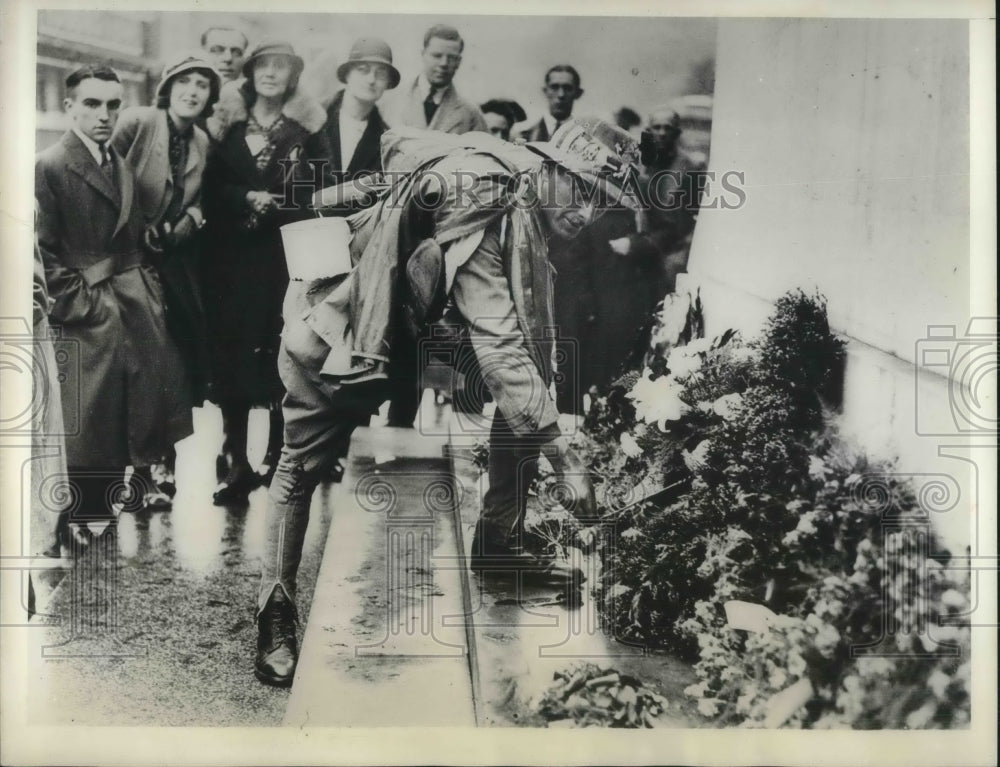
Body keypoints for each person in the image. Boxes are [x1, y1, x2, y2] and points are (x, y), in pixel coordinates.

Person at [252, 119, 640, 687]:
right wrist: (567, 459)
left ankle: (498, 545)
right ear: (554, 165)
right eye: (585, 190)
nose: (588, 215)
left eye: (604, 204)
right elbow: (499, 340)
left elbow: (514, 350)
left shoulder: (518, 180)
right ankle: (274, 608)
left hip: (421, 330)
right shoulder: (488, 188)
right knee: (300, 465)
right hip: (352, 323)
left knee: (525, 390)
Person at [35, 65, 193, 539]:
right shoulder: (51, 165)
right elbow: (43, 251)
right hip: (89, 307)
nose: (103, 115)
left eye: (112, 105)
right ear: (70, 107)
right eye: (91, 104)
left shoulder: (115, 161)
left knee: (141, 397)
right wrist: (83, 304)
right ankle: (84, 517)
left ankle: (126, 494)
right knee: (90, 415)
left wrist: (145, 287)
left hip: (130, 296)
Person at [201, 41, 331, 505]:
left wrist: (280, 204)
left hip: (282, 257)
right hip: (229, 259)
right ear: (250, 72)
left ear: (293, 75)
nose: (271, 74)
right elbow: (208, 184)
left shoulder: (308, 129)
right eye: (263, 66)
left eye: (282, 67)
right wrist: (243, 198)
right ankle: (234, 458)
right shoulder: (224, 124)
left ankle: (281, 455)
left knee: (284, 353)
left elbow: (321, 187)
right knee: (232, 353)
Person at [111, 51, 221, 509]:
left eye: (202, 84)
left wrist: (190, 219)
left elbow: (203, 200)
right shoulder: (139, 122)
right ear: (168, 86)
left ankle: (157, 468)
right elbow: (102, 177)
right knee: (132, 368)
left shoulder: (201, 140)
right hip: (123, 259)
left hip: (172, 265)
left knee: (174, 367)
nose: (193, 91)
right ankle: (131, 474)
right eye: (185, 82)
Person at [318, 38, 397, 197]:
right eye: (363, 69)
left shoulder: (387, 141)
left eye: (380, 73)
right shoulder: (314, 119)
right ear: (347, 75)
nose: (371, 80)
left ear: (388, 83)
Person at [394, 24, 487, 134]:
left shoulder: (471, 114)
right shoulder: (392, 101)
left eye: (451, 58)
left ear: (459, 62)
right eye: (437, 56)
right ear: (423, 54)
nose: (444, 63)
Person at [520, 65, 584, 142]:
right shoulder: (522, 133)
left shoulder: (584, 137)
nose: (561, 94)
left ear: (578, 93)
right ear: (545, 91)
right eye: (554, 87)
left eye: (567, 88)